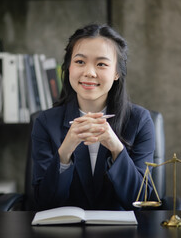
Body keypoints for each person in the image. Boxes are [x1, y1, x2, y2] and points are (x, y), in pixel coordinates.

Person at [31, 24, 155, 211]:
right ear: (68, 67)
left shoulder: (140, 121)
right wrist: (65, 152)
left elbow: (143, 200)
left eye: (101, 64)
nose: (89, 72)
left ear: (116, 73)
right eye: (80, 62)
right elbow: (44, 202)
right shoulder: (46, 123)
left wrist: (116, 148)